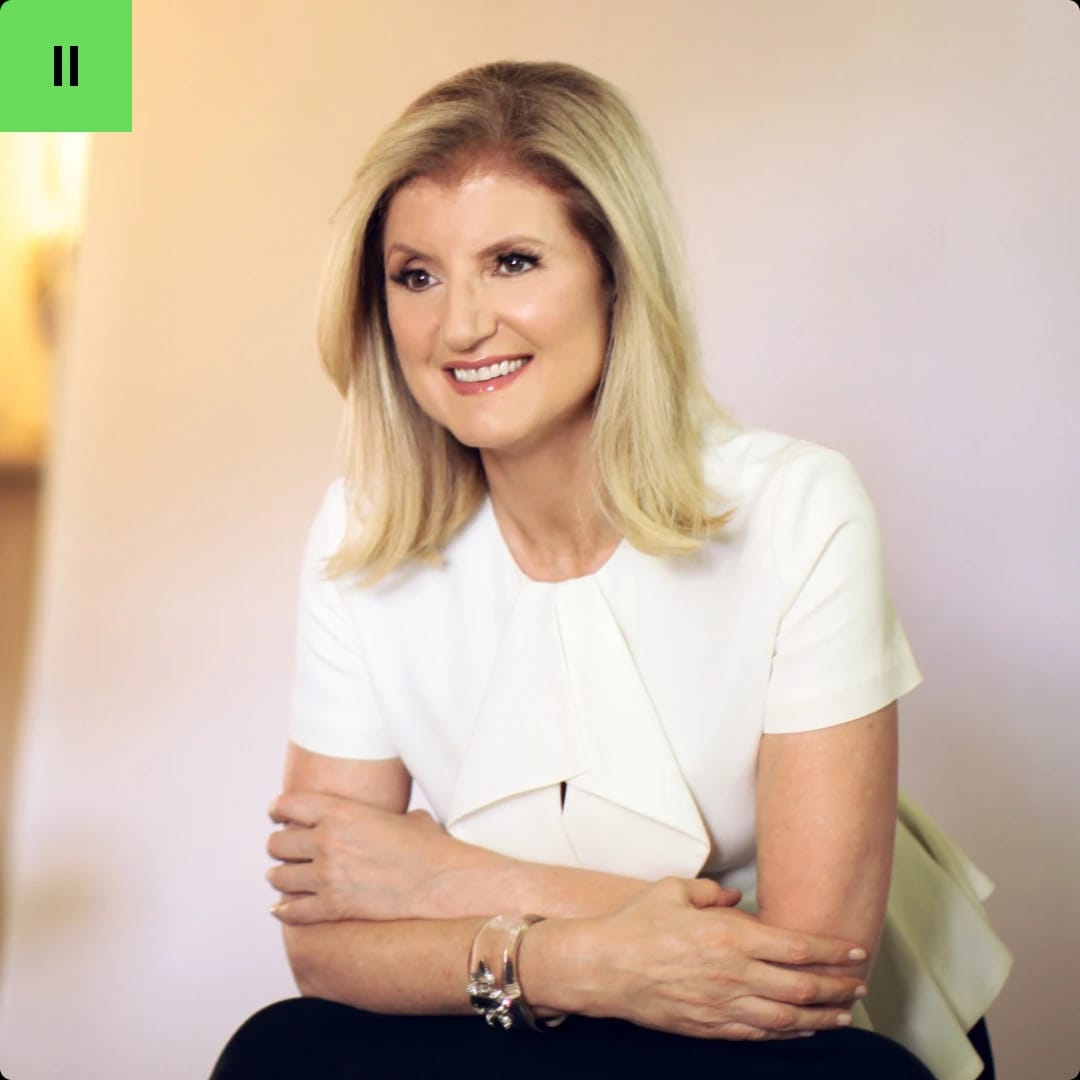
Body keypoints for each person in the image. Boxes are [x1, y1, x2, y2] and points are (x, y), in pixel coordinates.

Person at [211, 61, 1009, 1079]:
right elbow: (325, 946)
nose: (458, 325)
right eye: (416, 275)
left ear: (617, 276)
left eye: (512, 262)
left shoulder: (798, 506)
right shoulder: (362, 530)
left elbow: (803, 965)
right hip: (526, 1012)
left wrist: (443, 874)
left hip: (794, 1044)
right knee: (279, 1054)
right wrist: (586, 960)